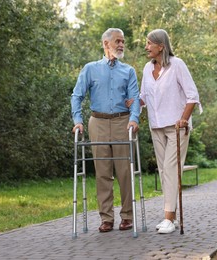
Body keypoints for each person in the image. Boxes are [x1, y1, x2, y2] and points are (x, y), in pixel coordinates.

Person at [71, 28, 140, 233]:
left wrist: (134, 118)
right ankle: (106, 218)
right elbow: (76, 96)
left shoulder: (128, 71)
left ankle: (127, 216)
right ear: (105, 44)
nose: (121, 45)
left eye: (123, 42)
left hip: (122, 122)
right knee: (102, 173)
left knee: (124, 172)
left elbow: (134, 99)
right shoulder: (90, 69)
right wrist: (78, 120)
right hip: (98, 122)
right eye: (117, 41)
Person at [137, 29, 202, 234]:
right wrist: (132, 102)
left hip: (176, 127)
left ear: (161, 46)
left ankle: (167, 217)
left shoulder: (177, 65)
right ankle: (171, 218)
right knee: (165, 171)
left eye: (149, 43)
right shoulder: (147, 68)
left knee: (172, 169)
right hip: (156, 126)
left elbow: (192, 96)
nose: (146, 47)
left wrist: (184, 119)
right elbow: (144, 97)